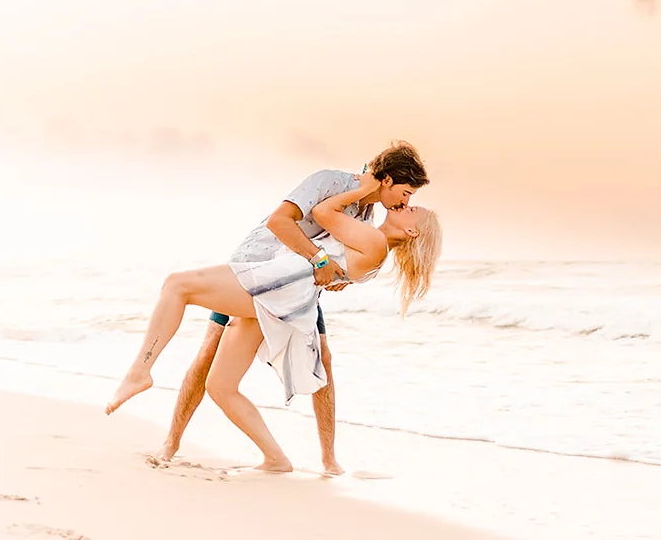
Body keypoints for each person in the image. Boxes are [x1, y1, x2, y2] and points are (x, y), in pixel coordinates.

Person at [105, 143, 443, 473]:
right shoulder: (344, 197)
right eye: (407, 196)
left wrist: (329, 255)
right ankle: (272, 458)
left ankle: (139, 372)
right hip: (271, 277)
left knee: (177, 285)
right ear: (388, 181)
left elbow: (327, 219)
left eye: (411, 205)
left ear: (412, 230)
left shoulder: (372, 234)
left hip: (274, 284)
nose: (405, 203)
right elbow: (286, 225)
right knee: (218, 381)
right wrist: (329, 263)